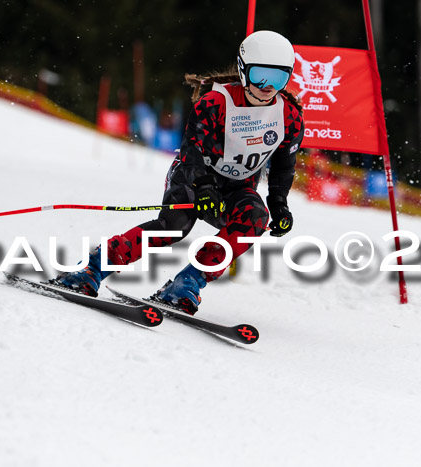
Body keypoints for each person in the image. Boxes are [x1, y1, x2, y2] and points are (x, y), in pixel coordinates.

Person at [51, 30, 305, 315]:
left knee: (254, 218)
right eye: (260, 75)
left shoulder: (289, 117)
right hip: (193, 176)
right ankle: (92, 270)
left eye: (278, 78)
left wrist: (279, 204)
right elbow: (192, 151)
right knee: (173, 227)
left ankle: (187, 284)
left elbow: (284, 166)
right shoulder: (215, 103)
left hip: (236, 188)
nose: (267, 86)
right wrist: (204, 186)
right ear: (244, 70)